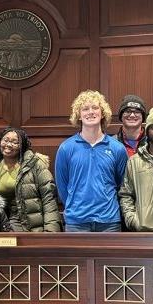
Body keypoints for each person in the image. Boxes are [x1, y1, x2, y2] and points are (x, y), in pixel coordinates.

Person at [55, 90, 128, 232]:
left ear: (103, 113)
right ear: (79, 115)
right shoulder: (66, 148)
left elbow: (122, 185)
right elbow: (63, 187)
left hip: (109, 222)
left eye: (95, 108)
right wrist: (76, 206)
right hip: (76, 222)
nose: (90, 112)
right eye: (85, 109)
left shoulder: (117, 149)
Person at [0, 127, 61, 232]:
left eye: (14, 142)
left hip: (31, 225)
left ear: (22, 146)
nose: (8, 144)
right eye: (5, 140)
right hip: (3, 224)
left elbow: (49, 199)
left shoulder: (35, 164)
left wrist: (51, 231)